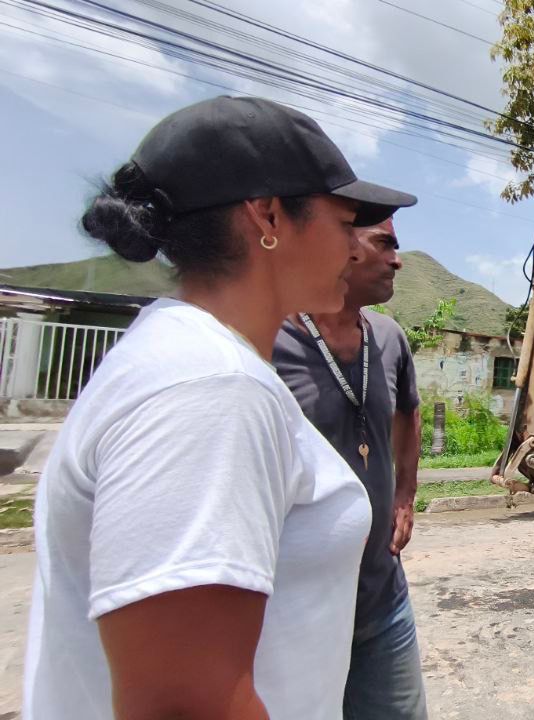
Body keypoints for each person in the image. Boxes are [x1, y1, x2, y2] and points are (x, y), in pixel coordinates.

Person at [24, 96, 416, 719]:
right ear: (269, 215)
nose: (355, 249)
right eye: (346, 224)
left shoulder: (192, 358)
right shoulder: (209, 387)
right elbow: (185, 705)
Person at [273, 218, 427, 719]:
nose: (397, 260)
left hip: (382, 601)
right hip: (297, 613)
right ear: (341, 242)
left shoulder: (389, 338)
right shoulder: (269, 341)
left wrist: (405, 494)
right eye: (384, 243)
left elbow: (409, 412)